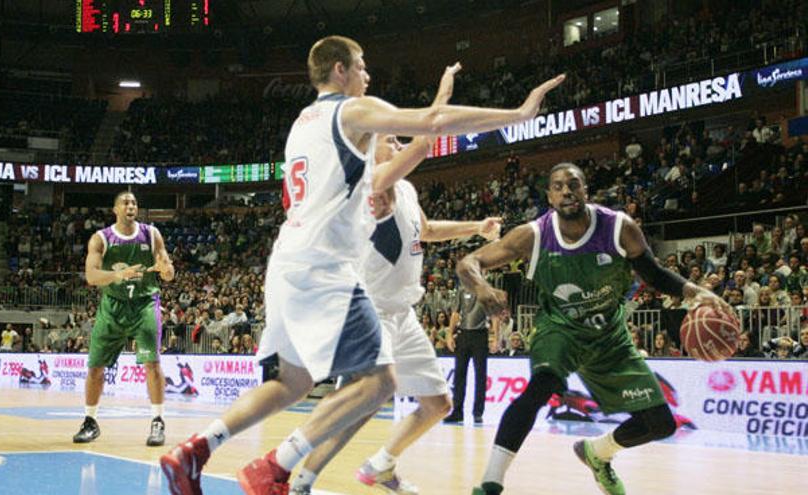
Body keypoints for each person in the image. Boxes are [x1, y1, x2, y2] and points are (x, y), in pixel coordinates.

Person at [160, 34, 564, 495]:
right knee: (378, 383)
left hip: (286, 260)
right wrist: (518, 114)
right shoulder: (350, 111)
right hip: (324, 265)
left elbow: (415, 174)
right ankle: (276, 468)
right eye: (362, 65)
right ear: (339, 70)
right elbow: (431, 124)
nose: (368, 74)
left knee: (290, 382)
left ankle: (194, 450)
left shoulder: (301, 123)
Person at [458, 163, 732, 495]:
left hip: (609, 337)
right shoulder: (534, 235)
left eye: (573, 184)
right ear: (549, 197)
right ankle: (491, 482)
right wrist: (483, 288)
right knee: (542, 386)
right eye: (558, 186)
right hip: (559, 329)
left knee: (661, 424)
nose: (566, 191)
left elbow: (653, 273)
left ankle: (597, 453)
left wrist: (695, 291)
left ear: (586, 190)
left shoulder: (619, 228)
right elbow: (468, 262)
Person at [290, 130, 502, 493]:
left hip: (403, 313)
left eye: (403, 143)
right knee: (357, 407)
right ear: (371, 151)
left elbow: (428, 229)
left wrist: (476, 228)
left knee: (438, 404)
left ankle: (380, 465)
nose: (400, 146)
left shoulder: (406, 189)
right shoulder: (362, 189)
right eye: (393, 141)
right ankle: (300, 482)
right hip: (369, 314)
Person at [72, 191, 175, 447]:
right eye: (125, 203)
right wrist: (120, 275)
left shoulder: (151, 234)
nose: (130, 206)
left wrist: (166, 270)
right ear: (115, 209)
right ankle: (90, 421)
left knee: (152, 363)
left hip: (144, 305)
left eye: (134, 203)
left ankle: (157, 421)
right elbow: (92, 277)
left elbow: (169, 273)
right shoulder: (101, 239)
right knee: (95, 366)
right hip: (113, 307)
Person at [444, 285, 498, 424]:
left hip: (480, 335)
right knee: (459, 374)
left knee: (480, 375)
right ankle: (457, 412)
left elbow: (494, 316)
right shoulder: (462, 289)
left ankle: (478, 412)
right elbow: (456, 313)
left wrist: (495, 337)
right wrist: (450, 334)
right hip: (463, 334)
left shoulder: (487, 291)